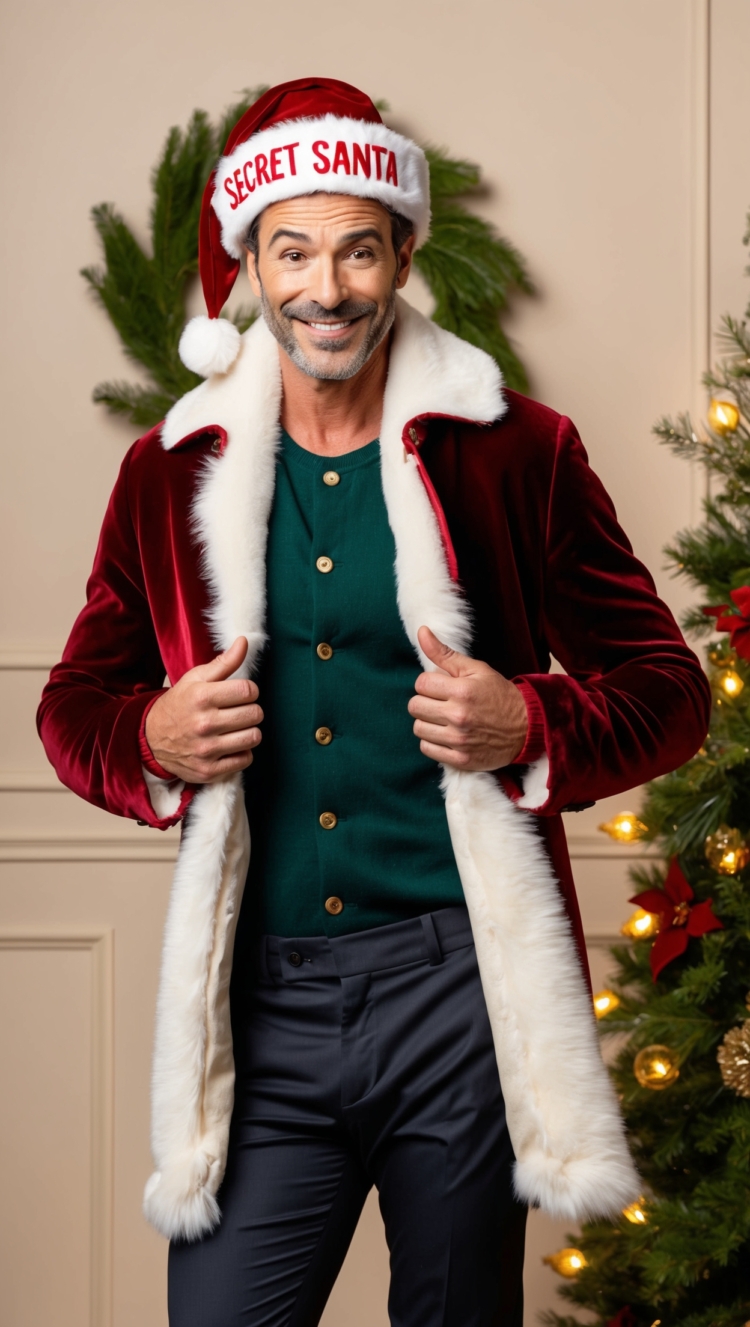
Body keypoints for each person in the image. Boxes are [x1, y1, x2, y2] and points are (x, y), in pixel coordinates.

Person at [38, 77, 711, 1326]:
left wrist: (536, 723)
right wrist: (147, 737)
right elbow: (72, 703)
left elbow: (673, 694)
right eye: (292, 251)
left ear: (404, 250)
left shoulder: (519, 453)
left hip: (456, 993)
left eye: (358, 249)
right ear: (250, 263)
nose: (327, 289)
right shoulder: (167, 472)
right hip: (262, 1003)